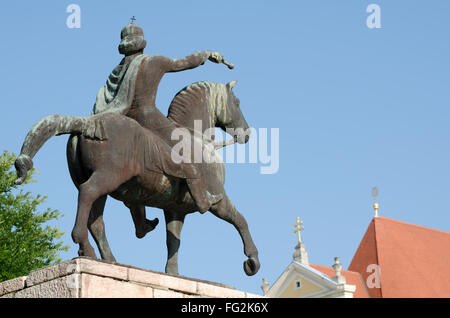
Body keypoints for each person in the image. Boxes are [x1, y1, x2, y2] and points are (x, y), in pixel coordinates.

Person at [93, 21, 229, 237]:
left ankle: (140, 222)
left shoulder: (117, 71)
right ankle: (202, 199)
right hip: (151, 120)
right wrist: (207, 54)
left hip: (126, 123)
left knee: (130, 170)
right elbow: (184, 63)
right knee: (189, 149)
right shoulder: (153, 62)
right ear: (142, 45)